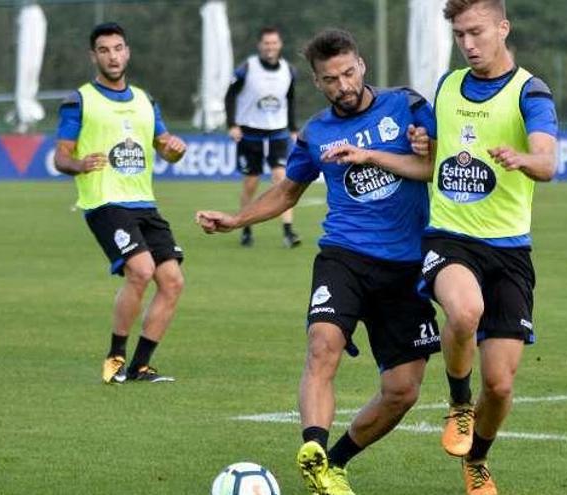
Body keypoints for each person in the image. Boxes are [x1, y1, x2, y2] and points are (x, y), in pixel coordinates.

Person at [197, 29, 440, 495]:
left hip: (407, 264)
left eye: (348, 73)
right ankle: (313, 447)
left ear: (362, 65)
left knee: (403, 391)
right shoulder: (316, 133)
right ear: (317, 82)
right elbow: (288, 190)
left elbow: (438, 160)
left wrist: (426, 145)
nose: (343, 86)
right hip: (343, 256)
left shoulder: (406, 106)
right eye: (331, 80)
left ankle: (335, 462)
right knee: (321, 343)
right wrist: (235, 219)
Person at [411, 1, 558, 494]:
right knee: (465, 310)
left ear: (502, 28)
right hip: (449, 236)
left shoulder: (530, 92)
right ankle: (457, 402)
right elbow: (431, 152)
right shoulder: (447, 86)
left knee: (500, 385)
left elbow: (548, 162)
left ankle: (477, 458)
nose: (469, 45)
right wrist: (420, 142)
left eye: (477, 33)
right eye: (459, 36)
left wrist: (524, 157)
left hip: (510, 251)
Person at [54, 22, 187, 384]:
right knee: (141, 270)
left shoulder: (146, 101)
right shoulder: (79, 100)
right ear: (93, 55)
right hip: (104, 201)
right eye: (104, 50)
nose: (112, 56)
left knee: (173, 281)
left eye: (118, 48)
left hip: (144, 203)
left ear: (127, 52)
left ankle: (140, 365)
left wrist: (175, 150)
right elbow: (60, 157)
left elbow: (165, 148)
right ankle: (114, 358)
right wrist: (79, 164)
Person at [225, 25, 301, 248]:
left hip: (278, 133)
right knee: (251, 183)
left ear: (280, 45)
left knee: (283, 180)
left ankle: (288, 231)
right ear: (260, 45)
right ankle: (246, 228)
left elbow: (291, 99)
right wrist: (232, 124)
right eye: (266, 43)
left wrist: (294, 128)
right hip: (250, 133)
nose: (270, 47)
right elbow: (230, 95)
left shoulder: (289, 70)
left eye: (274, 43)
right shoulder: (247, 68)